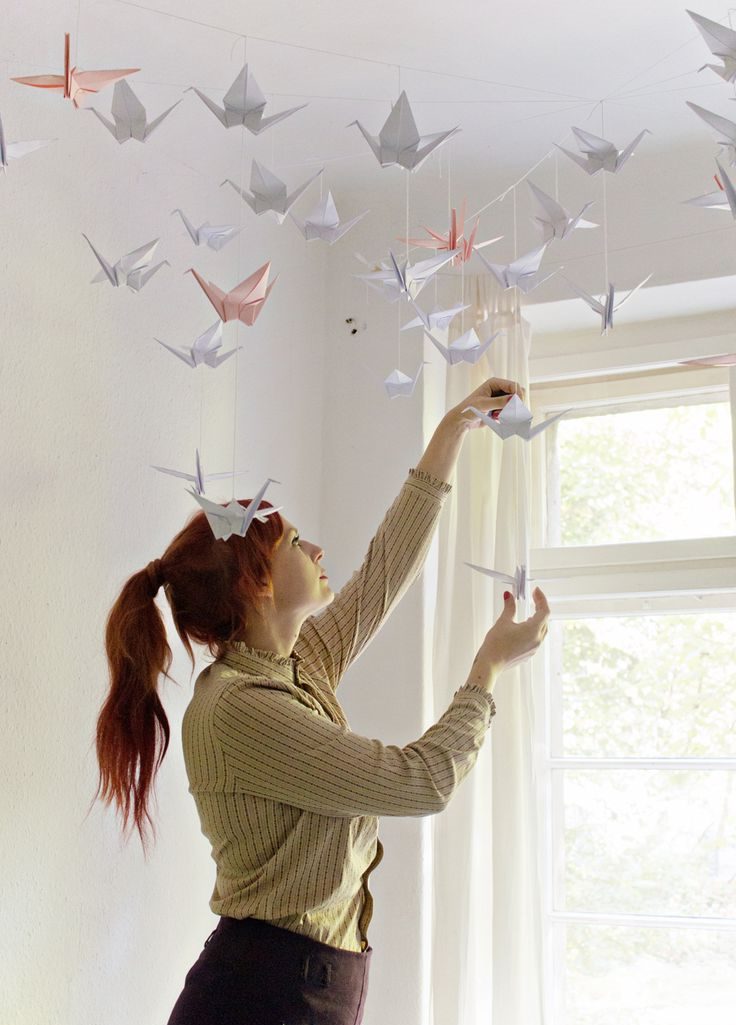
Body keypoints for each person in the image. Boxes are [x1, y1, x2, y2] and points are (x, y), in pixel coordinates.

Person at [94, 375, 550, 1025]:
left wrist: (454, 427)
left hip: (313, 985)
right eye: (293, 542)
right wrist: (488, 667)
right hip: (265, 995)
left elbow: (385, 569)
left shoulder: (295, 663)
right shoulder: (239, 708)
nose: (316, 549)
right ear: (255, 582)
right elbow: (421, 781)